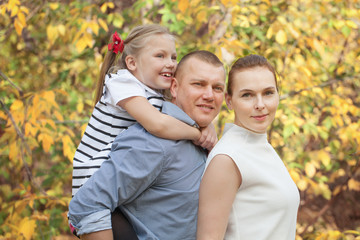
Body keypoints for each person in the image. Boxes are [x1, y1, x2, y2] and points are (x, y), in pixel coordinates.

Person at [68, 50, 226, 240]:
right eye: (198, 84)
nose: (209, 95)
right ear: (174, 87)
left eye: (217, 88)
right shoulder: (154, 143)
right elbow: (87, 204)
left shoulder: (203, 142)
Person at [72, 25, 216, 197]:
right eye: (160, 56)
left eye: (173, 57)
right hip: (94, 182)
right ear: (132, 63)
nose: (170, 64)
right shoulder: (122, 83)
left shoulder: (157, 92)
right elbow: (158, 124)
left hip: (124, 180)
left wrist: (206, 126)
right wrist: (198, 134)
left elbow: (184, 116)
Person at [196, 54, 300, 240]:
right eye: (247, 95)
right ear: (229, 101)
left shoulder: (260, 146)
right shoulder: (227, 158)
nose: (260, 105)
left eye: (268, 93)